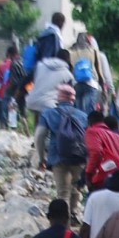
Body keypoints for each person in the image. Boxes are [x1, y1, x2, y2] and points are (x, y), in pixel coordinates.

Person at [35, 84, 89, 221]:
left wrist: (42, 158)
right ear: (73, 99)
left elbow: (40, 135)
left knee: (63, 193)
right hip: (79, 158)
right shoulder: (83, 115)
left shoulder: (48, 114)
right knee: (77, 187)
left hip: (58, 157)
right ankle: (74, 212)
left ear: (58, 98)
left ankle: (64, 228)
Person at [84, 110, 119, 191]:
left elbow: (96, 152)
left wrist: (88, 174)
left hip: (103, 178)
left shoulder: (92, 131)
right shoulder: (117, 136)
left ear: (90, 122)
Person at [27, 50, 75, 124]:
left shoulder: (40, 65)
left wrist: (29, 93)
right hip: (50, 105)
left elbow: (26, 81)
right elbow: (69, 97)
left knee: (39, 109)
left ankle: (37, 133)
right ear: (68, 60)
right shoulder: (68, 74)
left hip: (32, 101)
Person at [67, 32, 105, 114]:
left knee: (77, 111)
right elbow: (98, 68)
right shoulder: (93, 50)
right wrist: (102, 85)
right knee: (89, 111)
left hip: (76, 83)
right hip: (91, 83)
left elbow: (69, 69)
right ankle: (88, 126)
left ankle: (79, 126)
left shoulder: (70, 51)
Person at [0, 46, 25, 129]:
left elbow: (13, 81)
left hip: (12, 91)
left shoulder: (13, 64)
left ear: (9, 54)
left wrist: (8, 91)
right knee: (20, 113)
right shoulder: (22, 62)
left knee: (5, 111)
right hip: (22, 91)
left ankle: (3, 129)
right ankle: (25, 133)